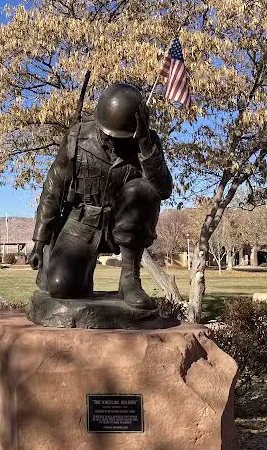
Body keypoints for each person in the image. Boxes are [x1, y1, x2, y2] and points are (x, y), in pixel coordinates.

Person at [28, 83, 173, 309]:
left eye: (121, 137)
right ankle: (80, 276)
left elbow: (163, 190)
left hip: (123, 224)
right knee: (61, 287)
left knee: (144, 190)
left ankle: (129, 280)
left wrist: (145, 145)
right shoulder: (77, 137)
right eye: (108, 135)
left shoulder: (147, 144)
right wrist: (40, 241)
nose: (112, 141)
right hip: (82, 222)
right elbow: (53, 188)